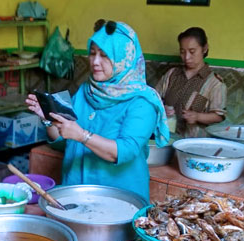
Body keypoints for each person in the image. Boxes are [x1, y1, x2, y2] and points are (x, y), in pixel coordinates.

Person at [26, 20, 169, 202]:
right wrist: (49, 119)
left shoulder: (142, 101)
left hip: (119, 198)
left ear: (124, 58)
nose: (95, 61)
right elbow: (61, 141)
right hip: (76, 190)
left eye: (105, 55)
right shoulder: (86, 91)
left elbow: (125, 151)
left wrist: (82, 135)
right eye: (92, 54)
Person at [155, 27, 227, 138]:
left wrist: (198, 117)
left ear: (204, 49)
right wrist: (161, 108)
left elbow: (218, 116)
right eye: (182, 52)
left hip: (192, 141)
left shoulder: (214, 83)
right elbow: (153, 98)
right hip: (165, 137)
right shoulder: (172, 74)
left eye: (192, 52)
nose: (187, 57)